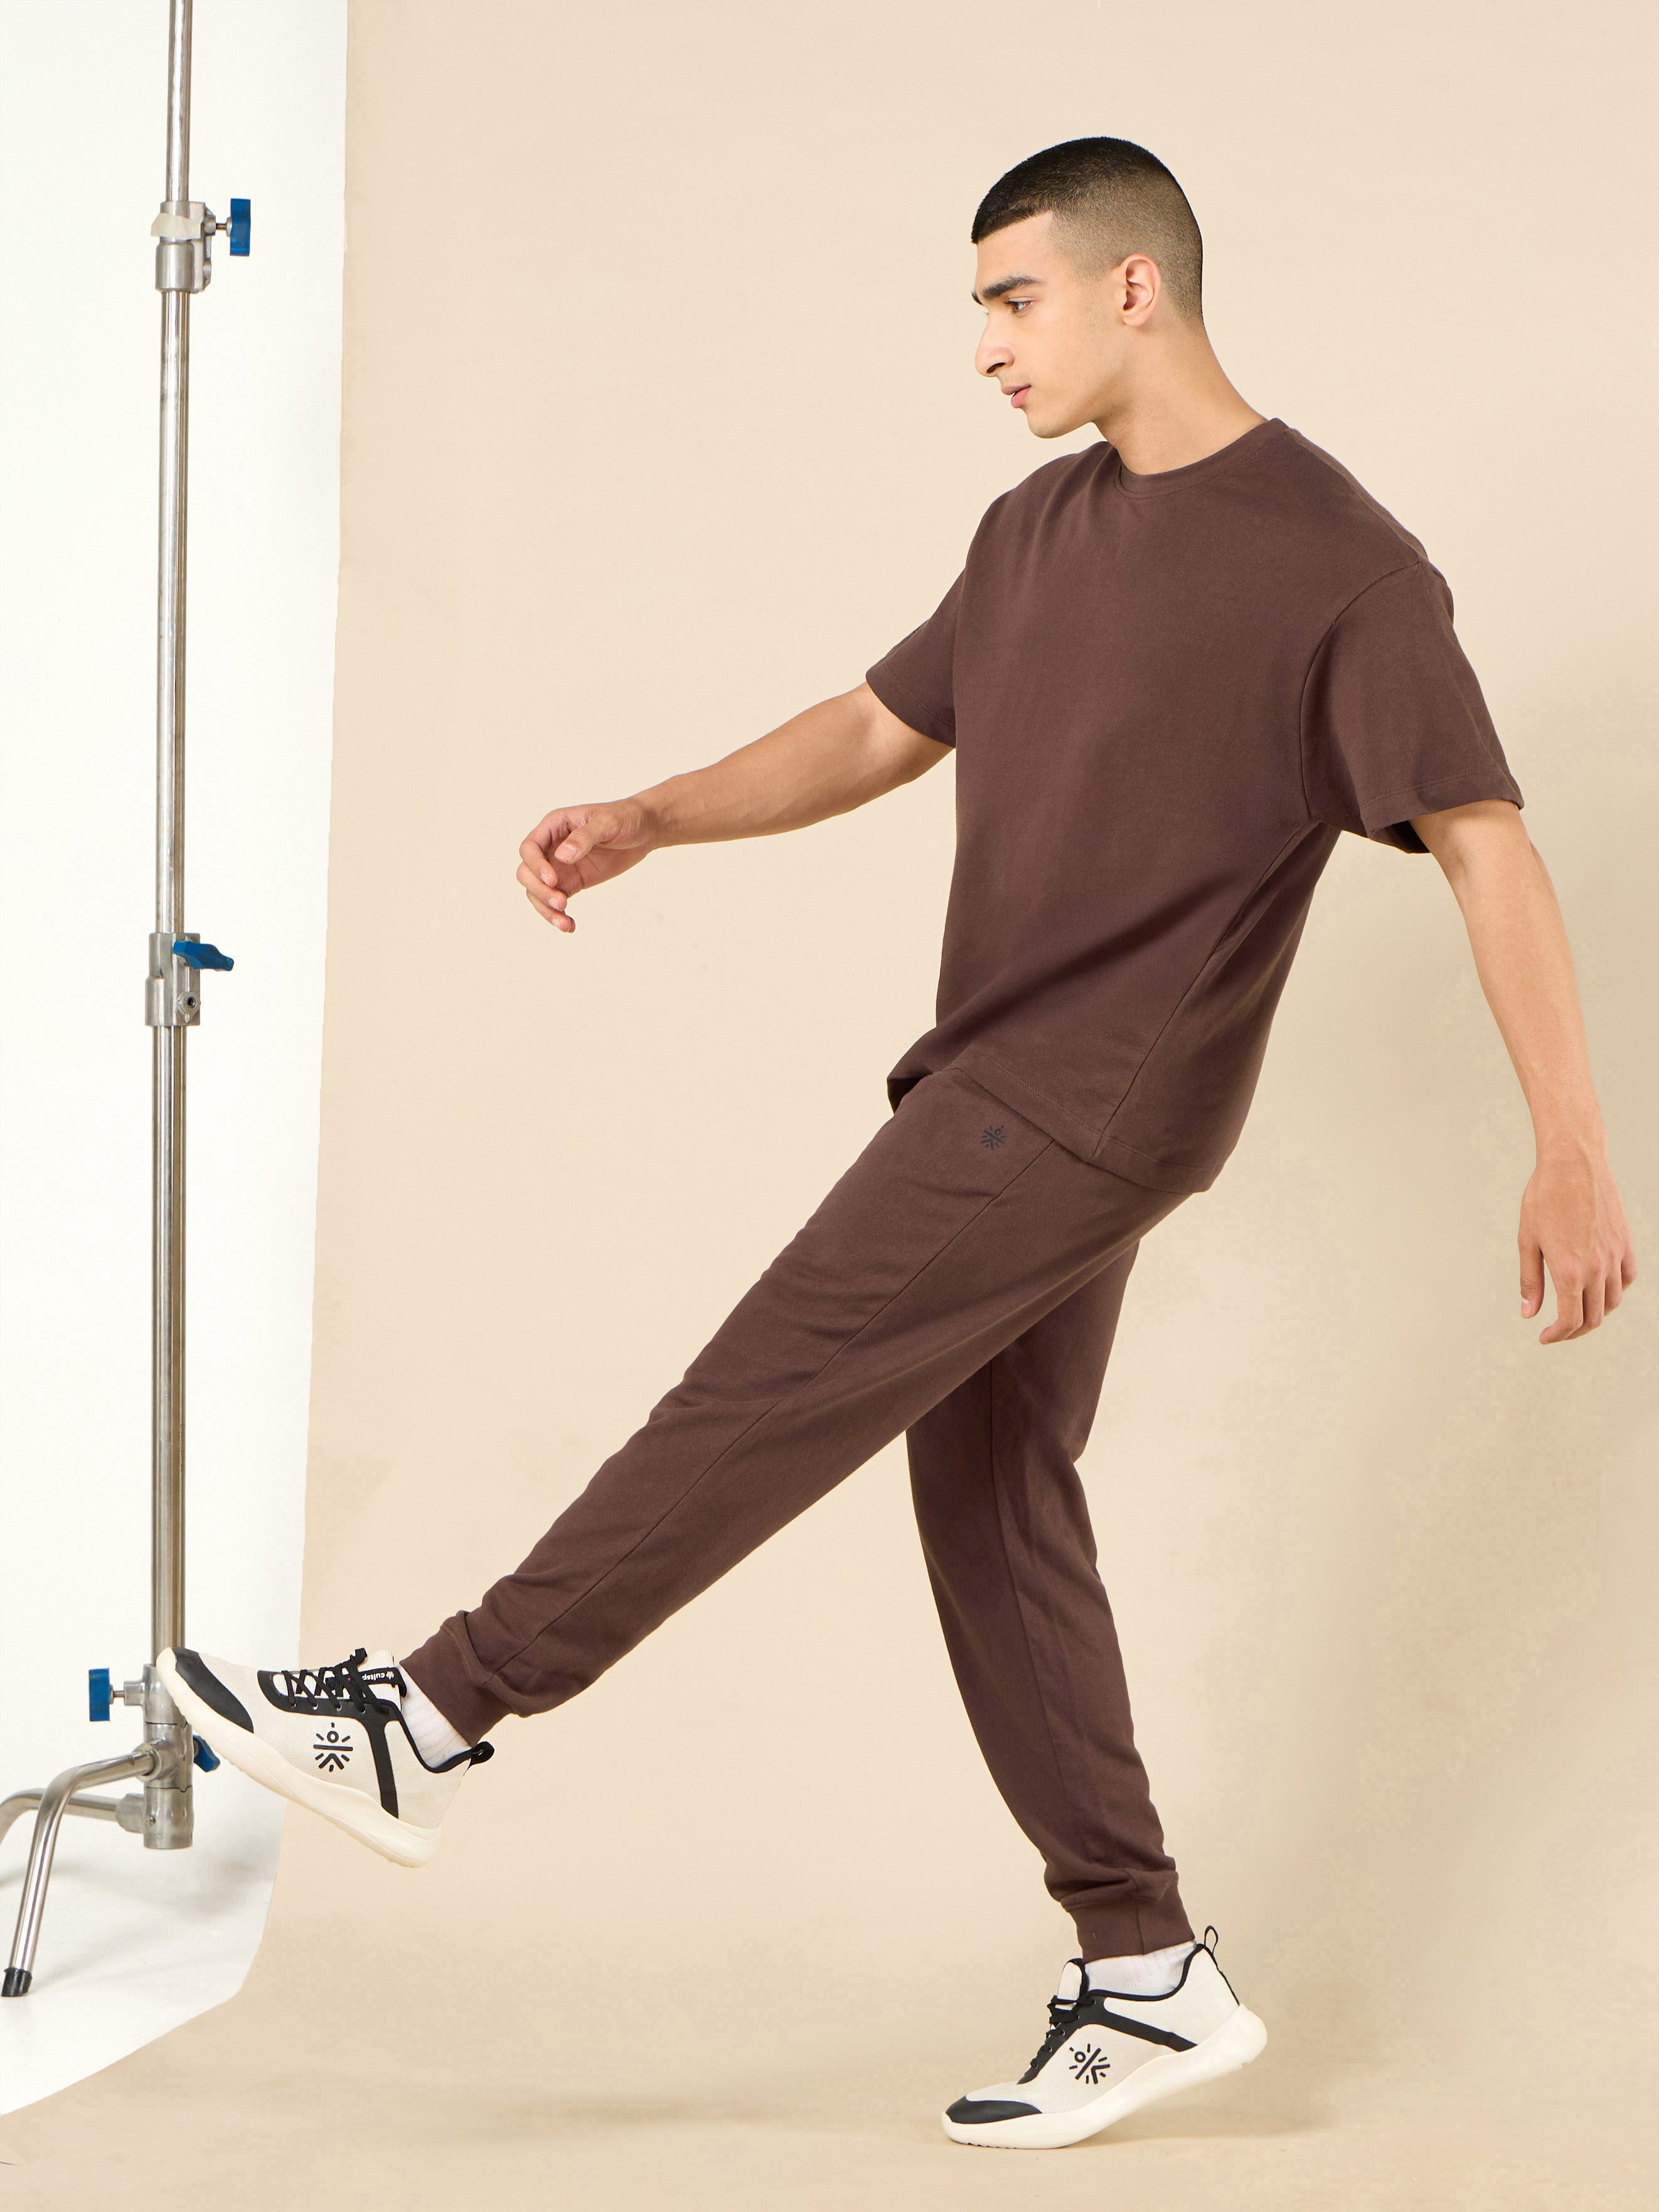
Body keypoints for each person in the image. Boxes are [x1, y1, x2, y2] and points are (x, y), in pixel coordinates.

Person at [160, 137, 1636, 2151]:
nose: (984, 346)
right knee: (995, 1498)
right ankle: (1146, 1970)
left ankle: (430, 1713)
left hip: (1086, 1103)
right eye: (979, 309)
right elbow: (875, 726)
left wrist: (1568, 1142)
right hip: (998, 1076)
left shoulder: (1340, 565)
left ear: (1134, 288)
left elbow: (1484, 840)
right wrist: (656, 813)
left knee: (759, 1391)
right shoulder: (1034, 528)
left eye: (1012, 299)